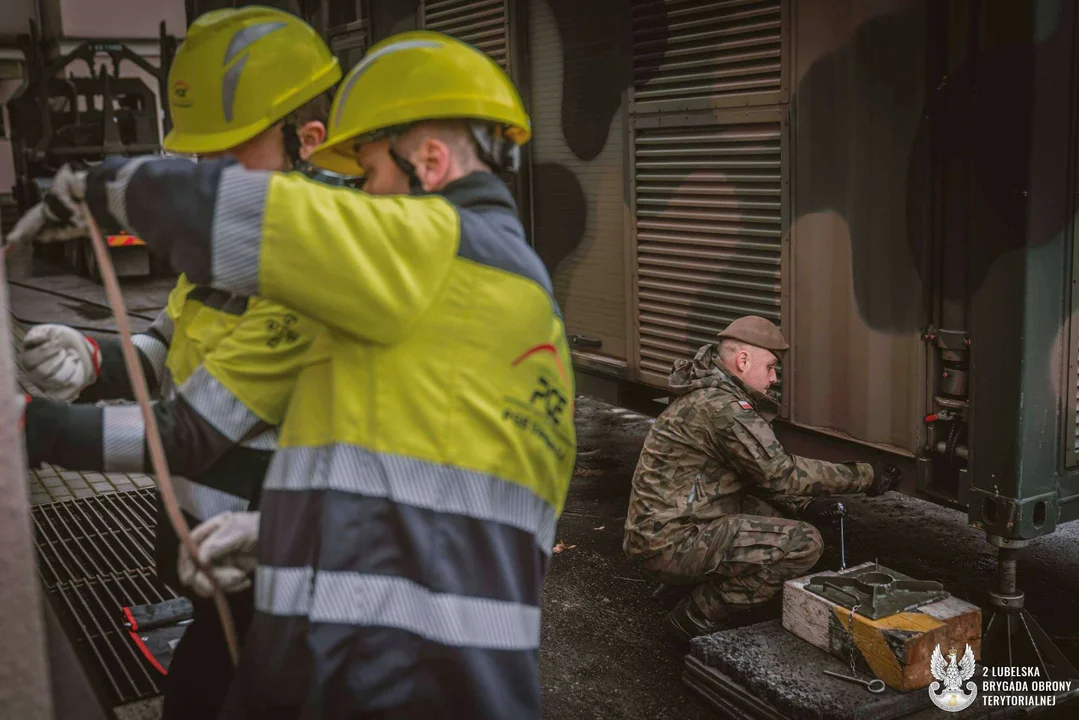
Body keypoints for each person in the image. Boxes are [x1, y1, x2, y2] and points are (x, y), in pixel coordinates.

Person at [10, 30, 576, 718]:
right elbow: (425, 488)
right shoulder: (507, 299)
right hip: (429, 664)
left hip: (381, 668)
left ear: (429, 159)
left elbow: (244, 218)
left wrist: (93, 188)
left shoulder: (432, 251)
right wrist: (287, 533)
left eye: (369, 172)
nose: (365, 194)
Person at [16, 7, 342, 718]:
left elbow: (190, 430)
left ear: (307, 142)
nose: (205, 183)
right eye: (201, 160)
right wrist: (94, 356)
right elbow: (168, 345)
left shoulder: (316, 269)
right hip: (220, 560)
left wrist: (31, 429)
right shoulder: (231, 244)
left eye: (230, 159)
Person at [623, 315, 901, 641]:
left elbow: (752, 476)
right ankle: (692, 618)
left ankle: (675, 590)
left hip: (662, 530)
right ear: (743, 361)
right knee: (803, 544)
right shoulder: (723, 407)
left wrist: (804, 505)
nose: (773, 378)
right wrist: (864, 476)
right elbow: (781, 472)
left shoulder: (708, 393)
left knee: (767, 511)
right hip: (669, 543)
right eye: (770, 367)